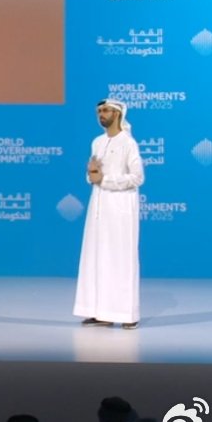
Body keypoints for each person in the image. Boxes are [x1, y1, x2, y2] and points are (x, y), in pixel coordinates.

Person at [73, 99, 144, 329]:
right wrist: (92, 174)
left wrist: (105, 180)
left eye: (106, 110)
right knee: (97, 258)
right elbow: (93, 175)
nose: (101, 114)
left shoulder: (128, 143)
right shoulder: (97, 142)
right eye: (99, 111)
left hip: (121, 209)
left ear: (118, 114)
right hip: (98, 208)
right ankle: (101, 312)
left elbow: (137, 177)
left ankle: (127, 314)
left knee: (120, 259)